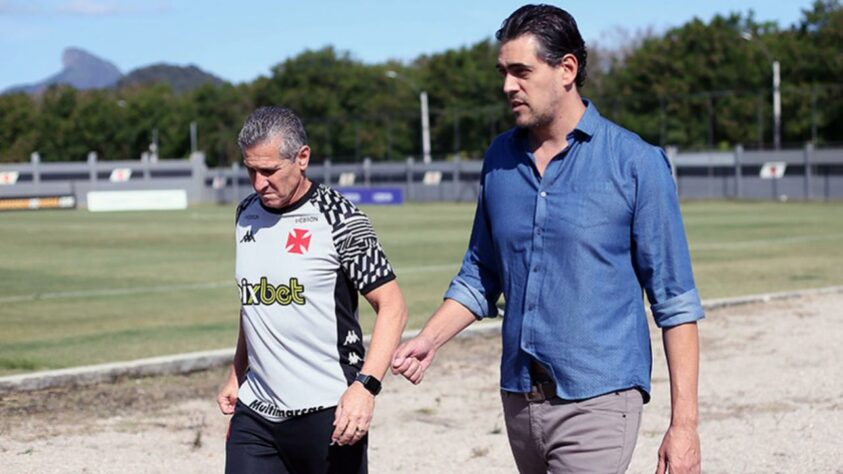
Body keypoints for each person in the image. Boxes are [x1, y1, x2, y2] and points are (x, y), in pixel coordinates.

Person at [392, 5, 703, 474]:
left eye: (521, 72)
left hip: (598, 398)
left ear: (567, 70)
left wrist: (685, 426)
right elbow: (480, 274)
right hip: (519, 398)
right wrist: (430, 340)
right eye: (503, 72)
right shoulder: (499, 158)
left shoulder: (636, 163)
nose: (507, 86)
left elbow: (674, 302)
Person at [217, 106, 408, 474]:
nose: (258, 183)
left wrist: (365, 388)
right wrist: (237, 372)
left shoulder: (341, 219)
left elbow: (393, 306)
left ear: (302, 157)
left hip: (329, 412)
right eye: (250, 170)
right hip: (256, 414)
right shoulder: (246, 213)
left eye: (270, 171)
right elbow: (254, 305)